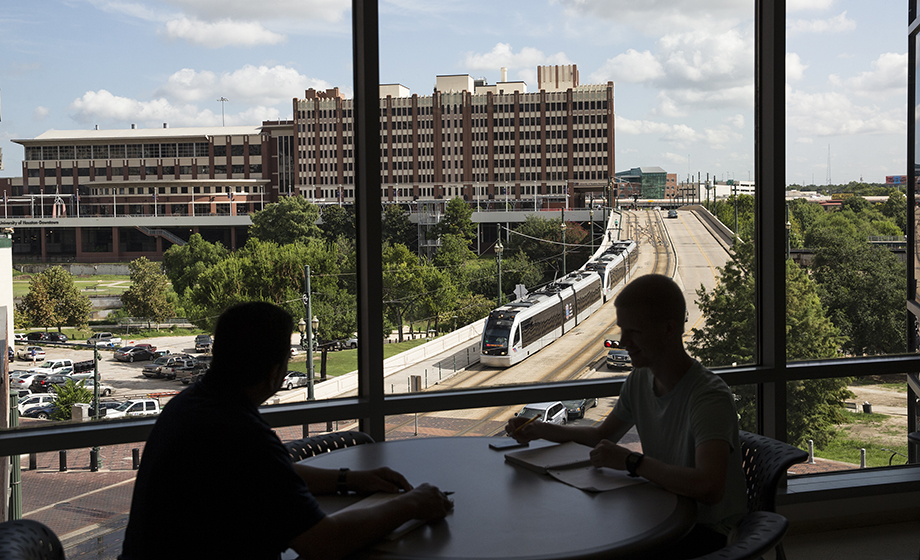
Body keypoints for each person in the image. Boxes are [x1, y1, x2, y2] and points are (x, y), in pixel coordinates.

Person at [120, 302, 452, 560]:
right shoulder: (241, 433)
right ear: (275, 372)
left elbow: (270, 475)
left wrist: (349, 479)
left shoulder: (191, 406)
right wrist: (413, 503)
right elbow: (323, 544)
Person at [505, 274, 746, 558]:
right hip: (662, 512)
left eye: (635, 332)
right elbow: (600, 436)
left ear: (669, 329)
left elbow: (709, 488)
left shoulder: (708, 397)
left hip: (708, 532)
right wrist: (539, 430)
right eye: (622, 331)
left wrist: (631, 461)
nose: (623, 342)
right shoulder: (639, 380)